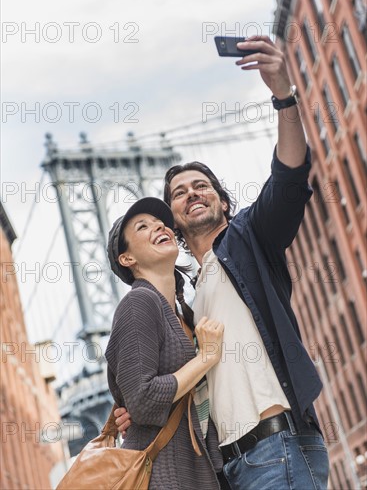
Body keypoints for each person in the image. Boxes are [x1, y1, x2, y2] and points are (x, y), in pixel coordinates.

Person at [115, 35, 330, 490]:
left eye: (202, 186)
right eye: (179, 193)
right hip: (228, 469)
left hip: (277, 450)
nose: (191, 193)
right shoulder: (188, 304)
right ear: (171, 221)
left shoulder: (250, 238)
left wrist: (283, 96)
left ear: (224, 203)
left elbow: (290, 176)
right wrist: (133, 407)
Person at [105, 196, 225, 490]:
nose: (159, 226)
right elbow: (143, 401)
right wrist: (205, 358)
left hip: (198, 474)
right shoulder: (139, 303)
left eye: (160, 223)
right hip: (164, 476)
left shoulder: (184, 315)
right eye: (142, 227)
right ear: (127, 259)